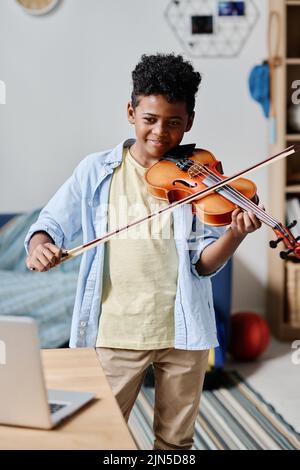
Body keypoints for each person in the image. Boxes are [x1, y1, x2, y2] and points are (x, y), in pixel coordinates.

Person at [25, 53, 262, 450]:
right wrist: (41, 246)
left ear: (189, 122)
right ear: (130, 112)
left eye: (173, 123)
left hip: (183, 334)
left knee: (175, 443)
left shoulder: (199, 179)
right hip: (117, 332)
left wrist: (233, 236)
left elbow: (202, 266)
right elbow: (48, 224)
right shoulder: (96, 171)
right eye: (149, 119)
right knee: (98, 438)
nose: (160, 133)